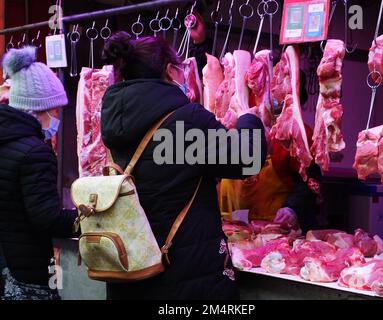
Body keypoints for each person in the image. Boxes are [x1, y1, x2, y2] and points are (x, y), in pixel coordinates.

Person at [100, 32, 267, 300]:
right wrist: (248, 117)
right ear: (171, 71)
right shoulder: (185, 121)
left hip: (131, 275)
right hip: (184, 279)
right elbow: (247, 158)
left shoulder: (113, 123)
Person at [0, 46, 78, 300]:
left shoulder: (6, 140)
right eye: (55, 110)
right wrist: (84, 218)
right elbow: (46, 218)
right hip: (29, 273)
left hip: (7, 266)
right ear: (38, 108)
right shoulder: (36, 153)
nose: (57, 117)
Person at [220, 71, 322, 232]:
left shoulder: (297, 134)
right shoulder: (234, 128)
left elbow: (311, 182)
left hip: (274, 230)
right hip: (233, 230)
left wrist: (292, 208)